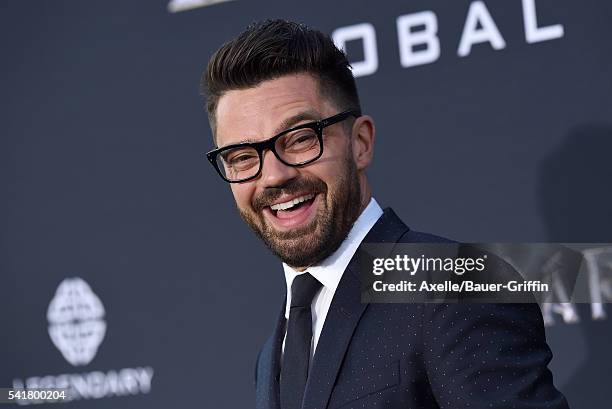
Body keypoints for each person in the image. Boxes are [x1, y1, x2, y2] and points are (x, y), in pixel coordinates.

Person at [201, 19, 569, 409]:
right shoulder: (272, 356)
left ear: (360, 143)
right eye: (242, 157)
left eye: (300, 139)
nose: (275, 174)